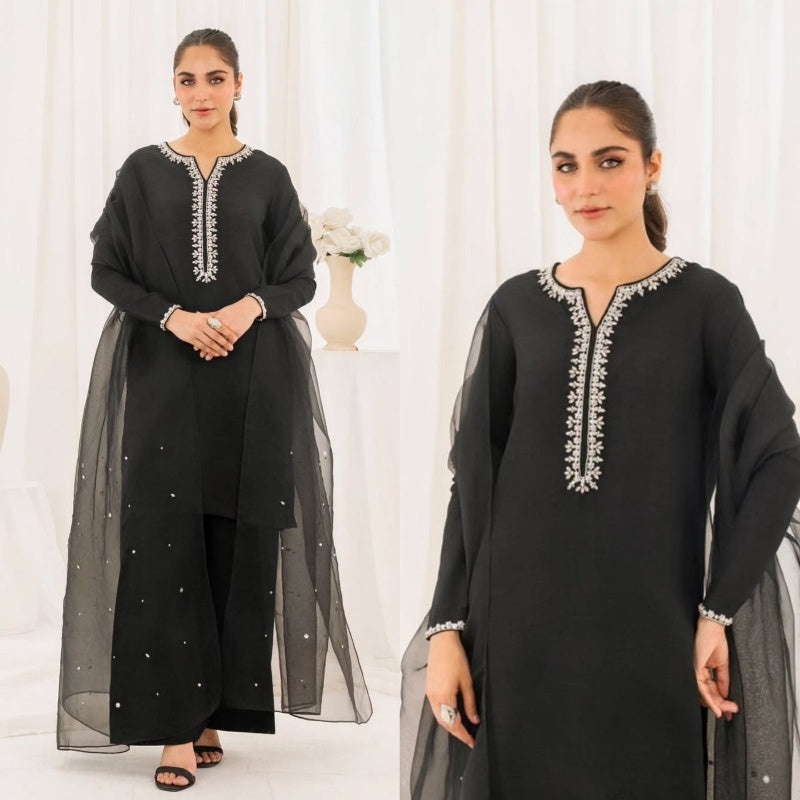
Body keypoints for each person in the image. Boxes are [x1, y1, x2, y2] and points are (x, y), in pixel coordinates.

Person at [401, 81, 800, 799]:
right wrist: (447, 628)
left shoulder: (706, 304)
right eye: (566, 165)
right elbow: (474, 481)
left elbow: (778, 457)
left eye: (609, 161)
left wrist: (719, 611)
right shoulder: (517, 306)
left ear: (652, 166)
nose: (585, 185)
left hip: (650, 623)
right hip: (517, 625)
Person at [57, 28, 371, 792]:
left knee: (238, 545)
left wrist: (246, 307)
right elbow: (106, 270)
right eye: (188, 79)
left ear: (239, 85)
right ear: (173, 88)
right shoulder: (142, 173)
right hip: (164, 378)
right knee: (163, 543)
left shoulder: (267, 176)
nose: (202, 93)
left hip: (251, 380)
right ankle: (172, 726)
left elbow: (299, 278)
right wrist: (173, 318)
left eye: (216, 77)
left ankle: (210, 714)